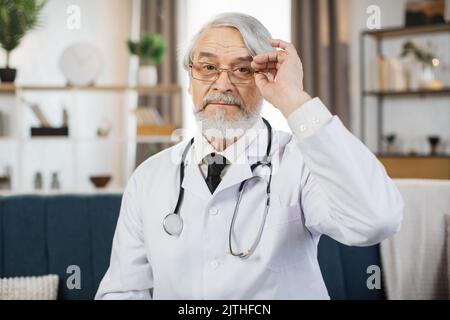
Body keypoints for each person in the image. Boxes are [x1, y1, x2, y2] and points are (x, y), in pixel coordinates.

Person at [95, 12, 403, 300]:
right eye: (208, 67)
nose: (223, 83)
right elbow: (124, 289)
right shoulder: (149, 176)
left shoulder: (301, 162)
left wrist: (294, 99)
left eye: (243, 69)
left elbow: (376, 220)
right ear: (190, 80)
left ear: (266, 77)